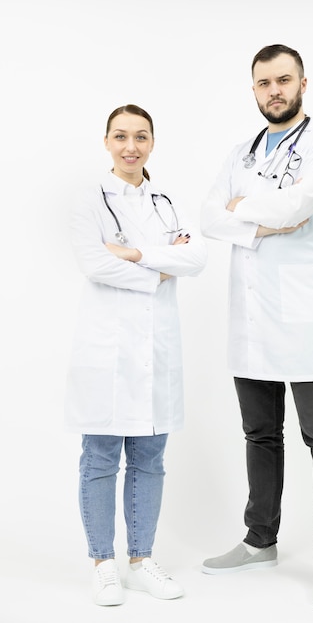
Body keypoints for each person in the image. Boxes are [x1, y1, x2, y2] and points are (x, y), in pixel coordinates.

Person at [200, 44, 313, 609]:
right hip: (251, 318)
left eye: (283, 80)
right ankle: (260, 539)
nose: (274, 91)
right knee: (260, 434)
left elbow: (303, 203)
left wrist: (246, 210)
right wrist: (262, 220)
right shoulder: (240, 150)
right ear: (254, 90)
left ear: (303, 83)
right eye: (264, 83)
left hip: (305, 315)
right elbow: (207, 215)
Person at [65, 104, 207, 606]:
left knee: (150, 458)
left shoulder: (168, 201)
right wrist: (161, 271)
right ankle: (103, 562)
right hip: (105, 349)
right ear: (106, 141)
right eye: (121, 136)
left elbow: (197, 257)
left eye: (141, 136)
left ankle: (141, 560)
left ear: (153, 142)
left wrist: (137, 254)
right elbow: (94, 263)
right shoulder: (90, 199)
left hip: (158, 348)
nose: (131, 146)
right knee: (101, 458)